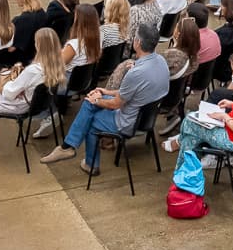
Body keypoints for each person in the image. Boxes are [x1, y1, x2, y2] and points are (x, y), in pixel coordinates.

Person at [44, 22, 168, 172]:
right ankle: (68, 146)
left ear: (138, 42)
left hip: (128, 121)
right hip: (145, 117)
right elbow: (133, 93)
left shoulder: (136, 72)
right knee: (90, 103)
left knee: (90, 118)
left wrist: (96, 100)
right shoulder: (161, 62)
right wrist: (105, 92)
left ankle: (89, 162)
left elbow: (115, 104)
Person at [0, 26, 62, 150]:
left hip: (20, 105)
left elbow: (9, 93)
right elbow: (31, 85)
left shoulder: (33, 70)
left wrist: (8, 79)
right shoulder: (56, 66)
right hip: (32, 100)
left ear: (39, 46)